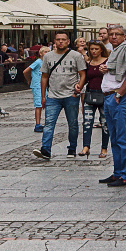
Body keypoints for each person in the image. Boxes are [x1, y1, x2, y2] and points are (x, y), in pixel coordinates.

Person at [96, 26, 126, 187]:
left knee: (123, 137)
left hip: (118, 97)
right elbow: (115, 71)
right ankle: (118, 173)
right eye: (111, 34)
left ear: (124, 36)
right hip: (110, 97)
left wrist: (118, 95)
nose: (113, 37)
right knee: (115, 138)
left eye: (117, 34)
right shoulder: (114, 52)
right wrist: (105, 69)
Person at [33, 32, 84, 160]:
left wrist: (78, 88)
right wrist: (43, 96)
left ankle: (72, 148)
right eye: (58, 40)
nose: (61, 42)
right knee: (49, 123)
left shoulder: (76, 56)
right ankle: (46, 149)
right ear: (54, 42)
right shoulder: (48, 56)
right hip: (53, 96)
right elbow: (44, 76)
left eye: (63, 39)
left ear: (68, 42)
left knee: (72, 123)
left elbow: (83, 74)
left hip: (70, 95)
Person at [79, 40, 110, 159]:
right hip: (90, 94)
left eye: (96, 49)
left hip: (104, 94)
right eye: (92, 49)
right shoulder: (88, 63)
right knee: (87, 122)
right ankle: (86, 147)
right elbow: (85, 78)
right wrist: (79, 86)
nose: (94, 51)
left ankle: (104, 148)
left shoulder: (107, 62)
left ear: (101, 49)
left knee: (104, 123)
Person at [27, 46, 44, 132]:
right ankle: (37, 124)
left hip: (45, 86)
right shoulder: (38, 62)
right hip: (37, 85)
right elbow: (26, 71)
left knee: (46, 104)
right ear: (41, 53)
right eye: (45, 52)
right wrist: (29, 79)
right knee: (38, 105)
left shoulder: (47, 62)